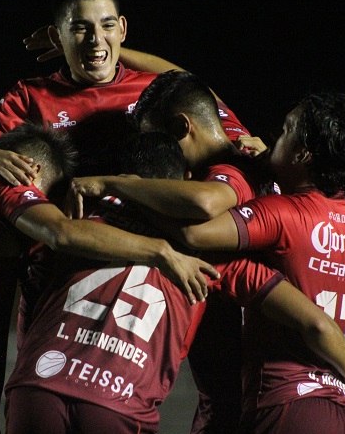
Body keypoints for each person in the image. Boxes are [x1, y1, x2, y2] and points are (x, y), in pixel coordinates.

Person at [2, 130, 345, 433]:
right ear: (184, 182)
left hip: (39, 385)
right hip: (119, 403)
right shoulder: (212, 258)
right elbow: (313, 321)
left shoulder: (77, 224)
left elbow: (31, 295)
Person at [0, 122, 217, 434]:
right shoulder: (6, 191)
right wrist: (161, 251)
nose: (46, 205)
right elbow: (57, 233)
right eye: (46, 197)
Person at [149, 92, 345, 433]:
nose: (271, 139)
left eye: (285, 131)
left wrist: (124, 188)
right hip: (344, 410)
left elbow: (193, 233)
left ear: (303, 154)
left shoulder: (283, 213)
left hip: (288, 404)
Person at [66, 69, 274, 432]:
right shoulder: (227, 125)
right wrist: (118, 51)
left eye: (160, 140)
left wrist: (118, 185)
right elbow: (187, 77)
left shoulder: (235, 168)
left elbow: (203, 208)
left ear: (182, 127)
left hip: (241, 369)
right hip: (228, 371)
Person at [0, 0, 249, 189]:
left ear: (122, 29)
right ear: (57, 37)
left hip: (151, 228)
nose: (96, 39)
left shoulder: (152, 89)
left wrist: (247, 146)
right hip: (64, 235)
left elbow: (209, 119)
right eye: (80, 28)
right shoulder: (28, 96)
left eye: (107, 25)